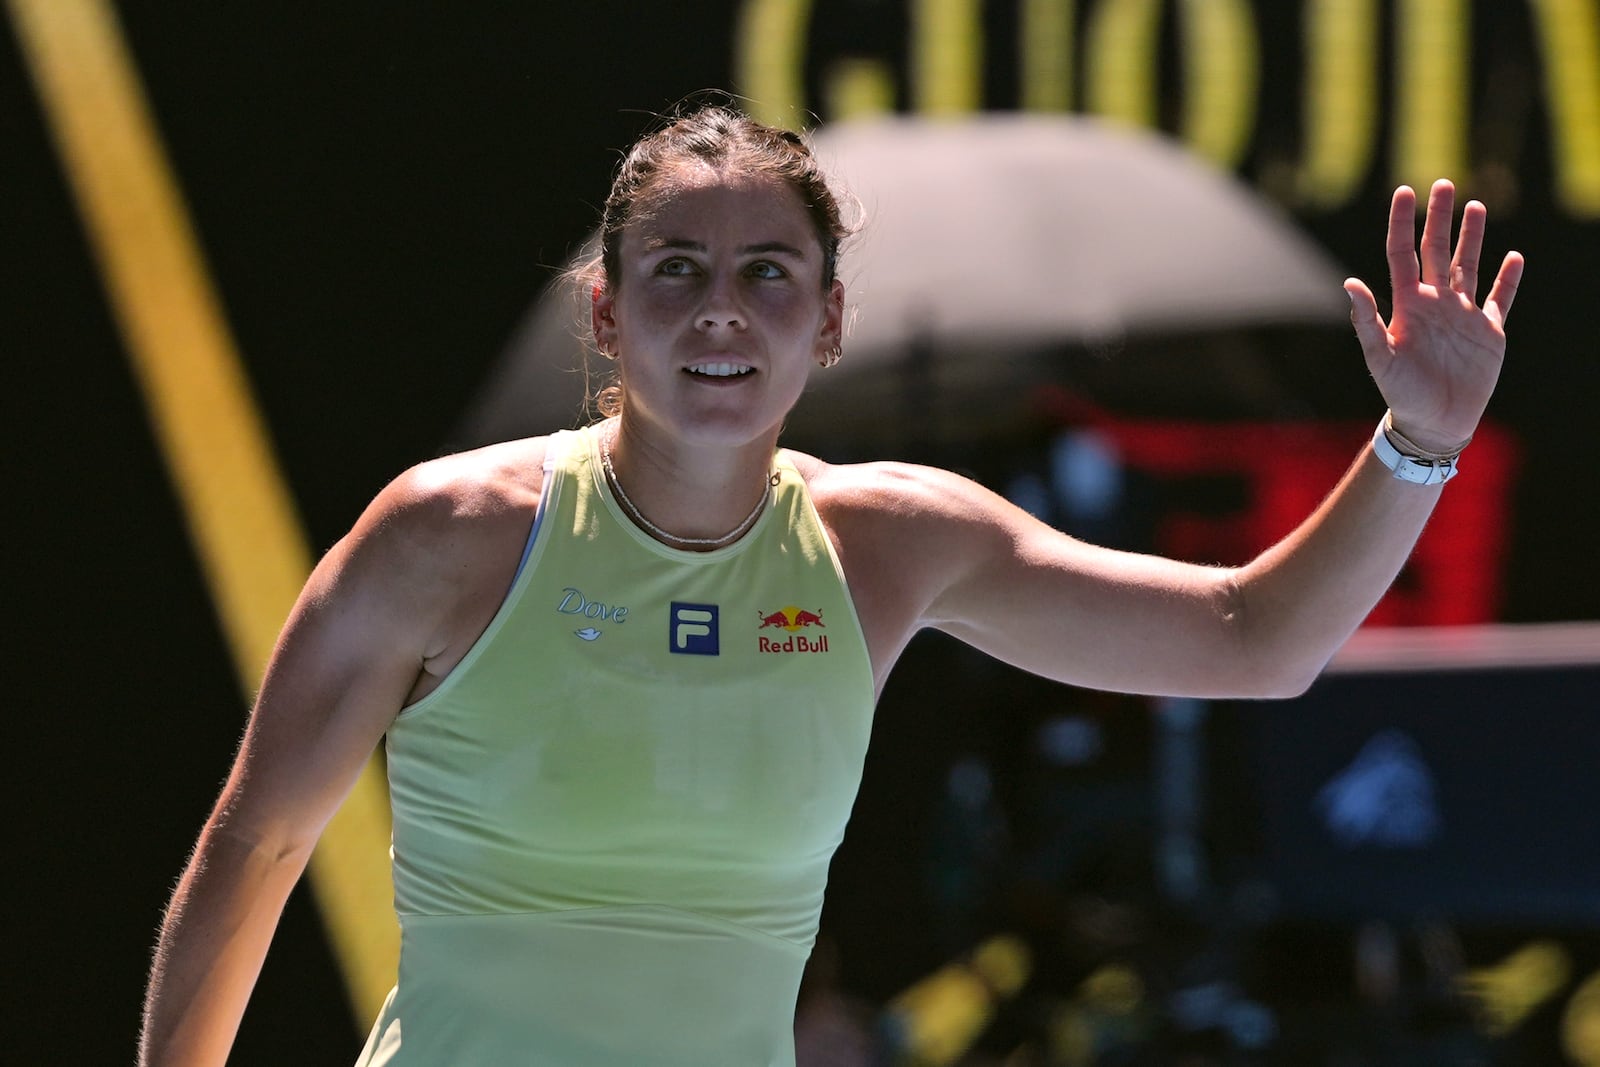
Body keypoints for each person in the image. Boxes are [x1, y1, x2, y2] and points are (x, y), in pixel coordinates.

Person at [137, 104, 1523, 1066]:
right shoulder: (443, 532)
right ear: (608, 310)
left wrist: (1421, 445)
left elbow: (1255, 638)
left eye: (768, 273)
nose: (721, 310)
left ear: (831, 318)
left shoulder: (887, 545)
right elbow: (252, 848)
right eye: (675, 271)